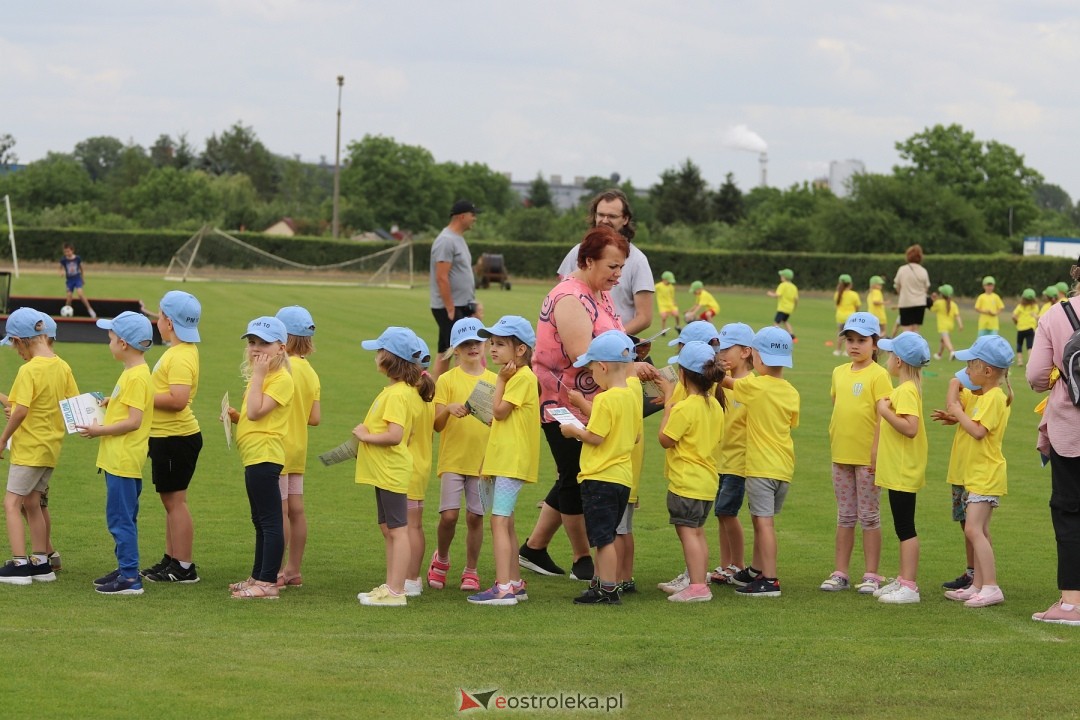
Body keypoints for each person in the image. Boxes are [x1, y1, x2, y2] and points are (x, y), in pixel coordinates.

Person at [521, 225, 631, 582]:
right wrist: (631, 366)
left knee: (573, 473)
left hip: (597, 401)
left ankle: (534, 548)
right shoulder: (570, 297)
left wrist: (630, 356)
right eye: (612, 266)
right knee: (574, 476)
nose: (618, 275)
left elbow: (612, 339)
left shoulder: (599, 293)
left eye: (621, 267)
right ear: (588, 261)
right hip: (564, 401)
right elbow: (583, 355)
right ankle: (582, 557)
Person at [557, 331, 641, 605]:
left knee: (603, 539)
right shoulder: (631, 396)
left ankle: (608, 589)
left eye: (592, 368)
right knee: (606, 533)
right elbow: (636, 436)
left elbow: (595, 436)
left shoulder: (605, 399)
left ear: (603, 367)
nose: (591, 374)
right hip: (622, 478)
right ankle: (600, 583)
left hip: (600, 477)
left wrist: (573, 431)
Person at [354, 327, 432, 607]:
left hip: (392, 471)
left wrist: (365, 436)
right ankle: (391, 586)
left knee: (398, 531)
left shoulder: (399, 395)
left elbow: (395, 435)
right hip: (384, 471)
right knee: (390, 529)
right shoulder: (400, 391)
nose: (375, 356)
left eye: (379, 351)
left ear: (391, 358)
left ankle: (396, 592)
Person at [934, 336, 1013, 608]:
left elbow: (978, 431)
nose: (966, 371)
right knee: (979, 530)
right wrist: (956, 405)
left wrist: (958, 411)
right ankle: (978, 585)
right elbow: (958, 406)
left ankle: (991, 586)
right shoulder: (984, 397)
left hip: (986, 474)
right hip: (977, 474)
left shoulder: (994, 398)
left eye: (971, 365)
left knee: (973, 529)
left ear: (987, 371)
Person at [0, 308, 77, 586]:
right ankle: (41, 563)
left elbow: (20, 411)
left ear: (20, 341)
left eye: (14, 345)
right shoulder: (62, 366)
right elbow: (70, 404)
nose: (16, 352)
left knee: (11, 503)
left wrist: (2, 439)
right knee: (32, 503)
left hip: (28, 450)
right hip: (49, 450)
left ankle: (20, 565)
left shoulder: (28, 370)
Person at [80, 312, 155, 596]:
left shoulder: (136, 377)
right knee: (123, 517)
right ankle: (126, 568)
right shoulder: (134, 372)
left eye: (111, 338)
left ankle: (130, 578)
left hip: (122, 460)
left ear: (123, 344)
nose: (108, 343)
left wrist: (99, 430)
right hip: (122, 459)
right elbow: (133, 406)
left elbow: (134, 421)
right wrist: (113, 402)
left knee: (120, 519)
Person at [722, 327, 800, 597]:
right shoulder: (791, 391)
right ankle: (756, 569)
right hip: (783, 467)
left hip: (760, 467)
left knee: (763, 523)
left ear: (759, 358)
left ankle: (770, 579)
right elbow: (791, 422)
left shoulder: (755, 386)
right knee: (760, 520)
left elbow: (726, 383)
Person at [468, 317, 540, 606]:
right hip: (504, 459)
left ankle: (503, 588)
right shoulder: (519, 377)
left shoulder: (521, 378)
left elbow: (498, 412)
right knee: (505, 521)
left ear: (520, 350)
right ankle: (514, 583)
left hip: (512, 460)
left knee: (498, 521)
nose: (492, 349)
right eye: (491, 343)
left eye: (499, 344)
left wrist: (499, 380)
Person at [821, 313, 891, 594]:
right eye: (850, 340)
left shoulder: (879, 374)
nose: (854, 345)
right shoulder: (839, 372)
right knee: (845, 516)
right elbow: (838, 404)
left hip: (867, 459)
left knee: (869, 516)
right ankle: (840, 572)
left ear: (875, 344)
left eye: (861, 340)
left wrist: (875, 451)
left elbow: (882, 417)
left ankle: (872, 574)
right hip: (841, 455)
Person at [1026, 262, 1080, 626]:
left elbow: (1035, 376)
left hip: (1070, 425)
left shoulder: (1055, 315)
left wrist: (1059, 378)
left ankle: (1072, 602)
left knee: (1069, 509)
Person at [225, 317, 294, 600]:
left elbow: (256, 412)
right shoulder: (265, 378)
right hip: (254, 455)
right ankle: (258, 575)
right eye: (252, 342)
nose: (256, 349)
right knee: (260, 520)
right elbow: (253, 416)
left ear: (281, 348)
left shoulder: (280, 379)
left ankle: (267, 583)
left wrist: (258, 375)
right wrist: (235, 417)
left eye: (264, 343)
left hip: (265, 455)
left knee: (269, 521)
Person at [429, 318, 495, 592]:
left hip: (482, 462)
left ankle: (471, 569)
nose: (472, 347)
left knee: (475, 517)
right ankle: (441, 559)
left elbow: (500, 420)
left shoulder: (494, 381)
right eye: (466, 343)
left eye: (477, 342)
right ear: (455, 349)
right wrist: (448, 409)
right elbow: (436, 425)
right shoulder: (446, 380)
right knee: (449, 516)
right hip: (453, 459)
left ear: (485, 344)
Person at [142, 291, 203, 584]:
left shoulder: (180, 356)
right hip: (168, 437)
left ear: (168, 322)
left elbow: (178, 400)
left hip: (175, 437)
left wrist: (141, 395)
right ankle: (172, 559)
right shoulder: (181, 350)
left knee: (175, 503)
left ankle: (184, 566)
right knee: (171, 502)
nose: (157, 320)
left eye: (160, 315)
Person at [657, 341, 725, 603]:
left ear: (682, 374)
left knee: (688, 534)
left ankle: (697, 587)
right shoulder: (715, 405)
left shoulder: (684, 408)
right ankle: (699, 582)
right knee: (697, 532)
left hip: (686, 483)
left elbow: (665, 439)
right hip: (707, 482)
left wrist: (667, 408)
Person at [872, 331, 931, 605]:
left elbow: (910, 427)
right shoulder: (905, 389)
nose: (886, 358)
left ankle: (909, 585)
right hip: (898, 468)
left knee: (905, 527)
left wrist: (884, 411)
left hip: (902, 469)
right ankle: (903, 578)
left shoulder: (906, 391)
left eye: (889, 354)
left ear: (898, 361)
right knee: (901, 525)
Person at [556, 190, 654, 335]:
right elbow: (559, 297)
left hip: (615, 345)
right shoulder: (578, 251)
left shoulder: (638, 261)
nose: (605, 220)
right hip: (576, 340)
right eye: (601, 215)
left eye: (612, 216)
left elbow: (644, 317)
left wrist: (611, 339)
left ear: (625, 219)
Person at [275, 305, 321, 589]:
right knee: (297, 510)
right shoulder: (310, 372)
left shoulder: (282, 369)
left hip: (278, 447)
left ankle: (274, 570)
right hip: (298, 449)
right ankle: (293, 570)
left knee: (278, 511)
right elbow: (314, 418)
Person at [709, 322, 755, 586]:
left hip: (739, 461)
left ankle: (737, 563)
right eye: (720, 349)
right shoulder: (721, 382)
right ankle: (726, 564)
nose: (722, 354)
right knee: (721, 513)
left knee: (727, 511)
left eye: (727, 349)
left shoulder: (752, 385)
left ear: (746, 352)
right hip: (720, 459)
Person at [430, 200, 479, 379]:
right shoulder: (446, 240)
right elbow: (441, 276)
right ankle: (463, 390)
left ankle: (434, 391)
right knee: (463, 352)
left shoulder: (458, 238)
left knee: (444, 351)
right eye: (473, 214)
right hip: (450, 307)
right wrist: (450, 307)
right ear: (462, 216)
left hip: (460, 305)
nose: (475, 218)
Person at [404, 336, 435, 598]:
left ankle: (410, 577)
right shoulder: (426, 395)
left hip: (406, 469)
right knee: (414, 526)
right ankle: (411, 577)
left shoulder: (408, 397)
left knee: (407, 528)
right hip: (419, 467)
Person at [893, 245, 931, 334]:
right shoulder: (923, 271)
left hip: (906, 302)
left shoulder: (902, 269)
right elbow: (926, 287)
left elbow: (897, 285)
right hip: (920, 303)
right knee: (915, 330)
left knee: (906, 330)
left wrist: (902, 293)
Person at [58, 243, 96, 319]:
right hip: (69, 280)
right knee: (69, 297)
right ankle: (67, 312)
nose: (67, 253)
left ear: (72, 250)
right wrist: (61, 272)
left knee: (80, 294)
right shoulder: (63, 260)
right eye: (65, 252)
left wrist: (82, 278)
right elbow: (60, 267)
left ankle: (90, 309)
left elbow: (81, 269)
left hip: (77, 278)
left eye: (68, 251)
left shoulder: (77, 258)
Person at [930, 285, 963, 361]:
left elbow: (932, 309)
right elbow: (957, 315)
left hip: (943, 325)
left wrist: (933, 300)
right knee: (943, 340)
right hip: (950, 326)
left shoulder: (938, 303)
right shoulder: (953, 304)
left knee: (946, 341)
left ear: (942, 294)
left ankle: (952, 352)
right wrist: (960, 324)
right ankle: (939, 354)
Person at [833, 274, 861, 356]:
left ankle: (837, 350)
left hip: (840, 317)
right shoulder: (854, 294)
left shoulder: (837, 294)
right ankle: (846, 351)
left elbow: (837, 305)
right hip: (850, 317)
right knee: (850, 335)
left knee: (840, 333)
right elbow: (857, 306)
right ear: (850, 284)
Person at [767, 268, 798, 340]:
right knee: (785, 321)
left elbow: (778, 295)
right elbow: (796, 299)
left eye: (781, 276)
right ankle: (792, 335)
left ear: (784, 277)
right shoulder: (794, 287)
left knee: (776, 322)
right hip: (789, 308)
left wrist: (770, 294)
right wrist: (795, 307)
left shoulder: (782, 285)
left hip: (782, 308)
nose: (780, 277)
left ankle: (775, 336)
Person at [1012, 289, 1040, 367]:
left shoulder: (1020, 306)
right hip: (1030, 328)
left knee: (1019, 344)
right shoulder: (1035, 306)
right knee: (1029, 345)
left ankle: (1020, 361)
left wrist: (1016, 321)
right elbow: (1036, 316)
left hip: (1021, 328)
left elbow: (1013, 316)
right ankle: (1030, 361)